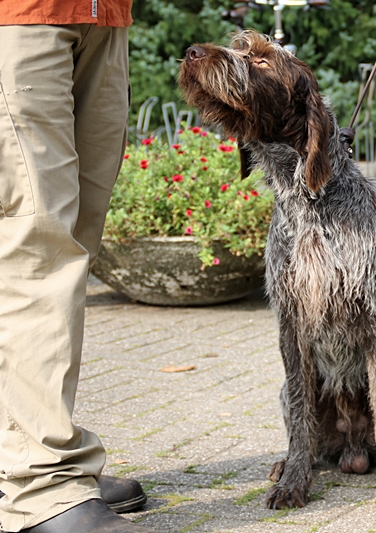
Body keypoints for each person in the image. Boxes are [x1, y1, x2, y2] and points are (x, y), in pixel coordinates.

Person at [0, 2, 156, 532]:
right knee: (39, 248)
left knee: (73, 240)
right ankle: (41, 482)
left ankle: (28, 452)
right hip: (20, 17)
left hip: (104, 17)